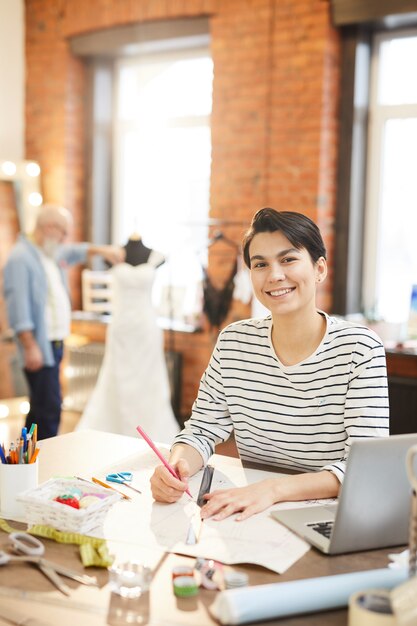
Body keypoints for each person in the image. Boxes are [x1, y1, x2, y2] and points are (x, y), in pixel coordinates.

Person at [150, 207, 389, 520]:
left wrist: (274, 489)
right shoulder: (234, 342)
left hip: (333, 514)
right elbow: (202, 430)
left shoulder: (360, 348)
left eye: (288, 259)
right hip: (251, 511)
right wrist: (176, 464)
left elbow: (366, 468)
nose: (274, 275)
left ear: (319, 269)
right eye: (260, 264)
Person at [3, 204, 125, 440]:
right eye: (63, 232)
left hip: (54, 343)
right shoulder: (21, 258)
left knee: (41, 407)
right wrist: (30, 346)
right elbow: (18, 308)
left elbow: (74, 251)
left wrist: (102, 250)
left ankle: (27, 461)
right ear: (49, 227)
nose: (65, 238)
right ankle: (46, 460)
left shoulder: (48, 253)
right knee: (49, 408)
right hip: (39, 345)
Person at [76, 234, 179, 440]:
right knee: (116, 377)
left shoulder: (156, 257)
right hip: (121, 328)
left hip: (146, 328)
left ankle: (151, 432)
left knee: (148, 379)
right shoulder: (113, 255)